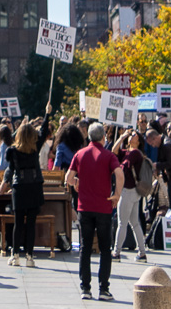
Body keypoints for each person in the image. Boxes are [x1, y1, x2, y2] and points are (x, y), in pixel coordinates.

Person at [66, 121, 121, 302]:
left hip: (85, 207)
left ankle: (85, 288)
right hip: (104, 207)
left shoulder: (80, 154)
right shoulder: (108, 155)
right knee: (105, 248)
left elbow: (68, 177)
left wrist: (76, 184)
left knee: (85, 248)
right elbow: (119, 174)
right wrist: (116, 194)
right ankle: (104, 289)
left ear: (88, 137)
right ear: (103, 137)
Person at [0, 117, 48, 269]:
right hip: (34, 187)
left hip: (19, 187)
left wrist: (4, 184)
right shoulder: (35, 148)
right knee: (31, 224)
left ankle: (15, 255)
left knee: (18, 223)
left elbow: (10, 170)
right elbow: (44, 131)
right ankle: (30, 256)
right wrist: (47, 115)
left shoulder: (12, 151)